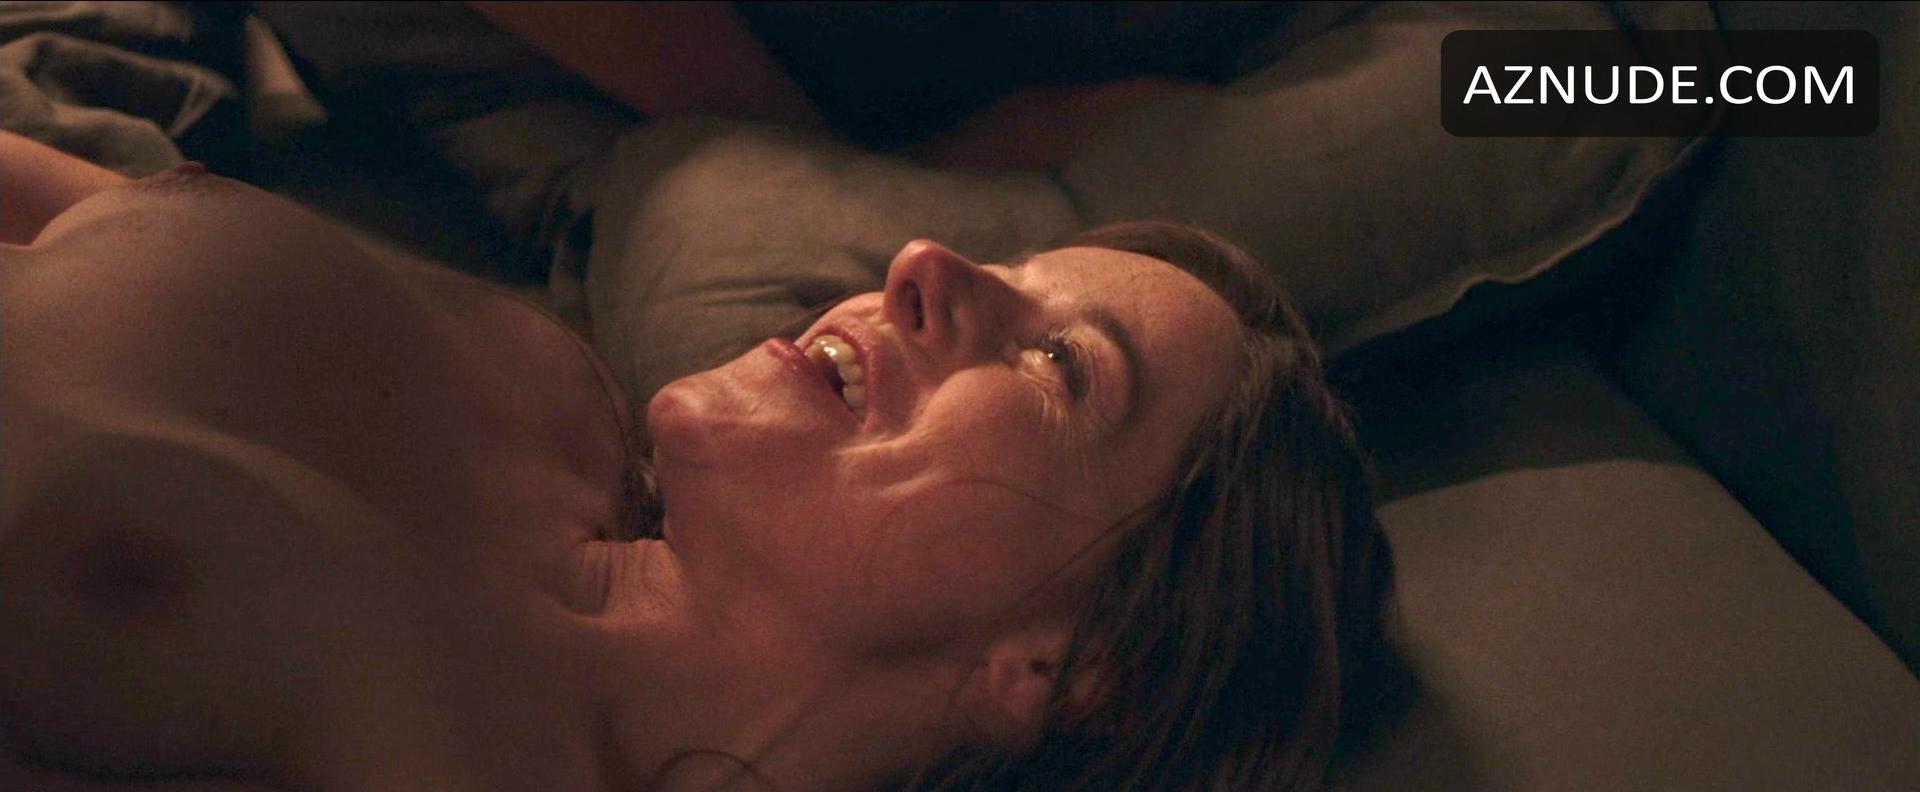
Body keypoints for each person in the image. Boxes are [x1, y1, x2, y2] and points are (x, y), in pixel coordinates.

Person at [0, 130, 1394, 791]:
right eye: (1003, 269)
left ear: (1069, 667)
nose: (922, 263)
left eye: (1057, 365)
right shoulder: (544, 397)